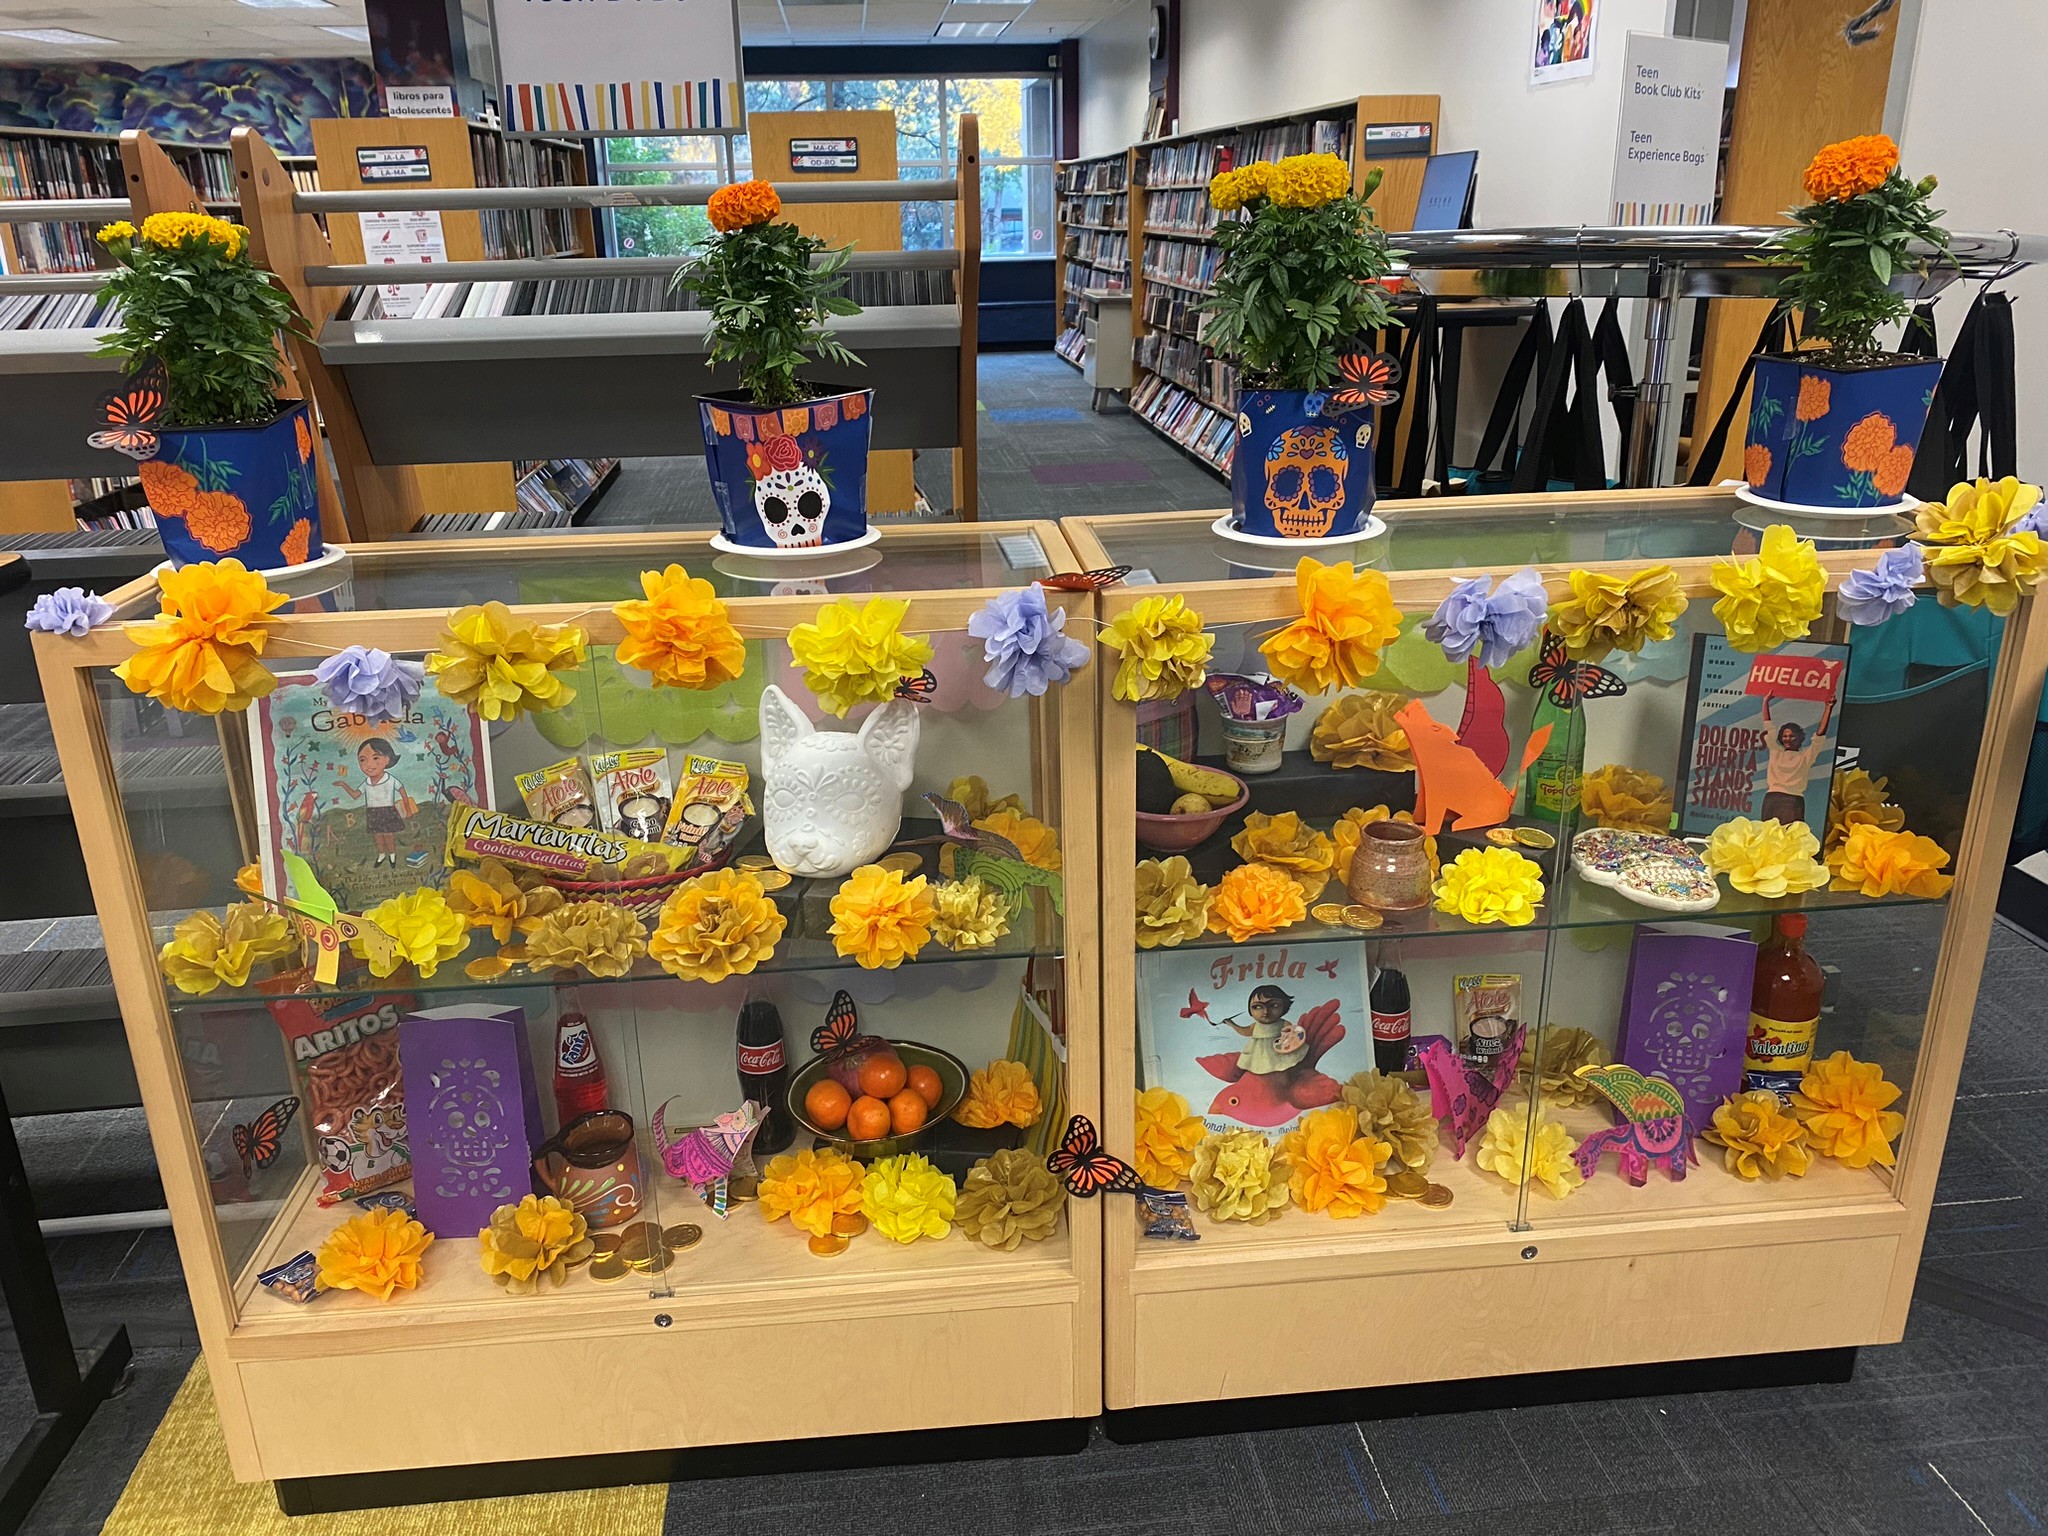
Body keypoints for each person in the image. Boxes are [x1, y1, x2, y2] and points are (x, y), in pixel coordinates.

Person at [333, 737, 413, 865]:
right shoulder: (367, 782)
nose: (369, 764)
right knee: (377, 835)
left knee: (388, 835)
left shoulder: (390, 779)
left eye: (375, 758)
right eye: (363, 760)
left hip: (387, 810)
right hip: (373, 811)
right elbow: (355, 795)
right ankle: (381, 855)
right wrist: (343, 784)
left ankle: (392, 855)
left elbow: (403, 792)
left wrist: (408, 810)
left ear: (387, 759)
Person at [1759, 696, 1831, 825]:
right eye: (1785, 736)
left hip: (1792, 802)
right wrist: (1765, 701)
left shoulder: (1806, 756)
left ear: (1799, 738)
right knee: (1767, 837)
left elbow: (1820, 735)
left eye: (1792, 736)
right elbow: (1768, 725)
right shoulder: (1775, 751)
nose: (1787, 739)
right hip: (1772, 799)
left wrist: (1828, 707)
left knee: (1790, 838)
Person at [1211, 985, 1311, 1076]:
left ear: (1284, 1006)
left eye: (1273, 1005)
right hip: (1259, 1056)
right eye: (1257, 1007)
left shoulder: (1283, 1023)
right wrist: (1232, 1024)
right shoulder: (1255, 1026)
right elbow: (1245, 1031)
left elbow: (1293, 1034)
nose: (1266, 1012)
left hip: (1280, 1053)